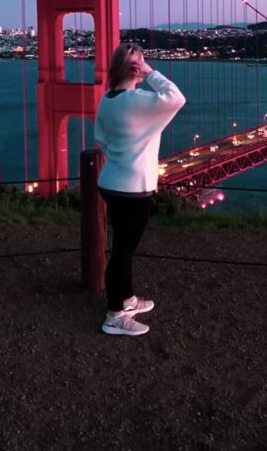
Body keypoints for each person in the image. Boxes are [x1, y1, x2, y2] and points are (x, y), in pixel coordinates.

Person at [94, 42, 185, 336]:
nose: (144, 65)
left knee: (123, 248)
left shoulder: (107, 100)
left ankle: (128, 299)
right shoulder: (140, 101)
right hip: (134, 191)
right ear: (134, 68)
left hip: (110, 183)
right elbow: (176, 98)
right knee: (123, 251)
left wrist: (123, 157)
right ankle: (115, 315)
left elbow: (101, 142)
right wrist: (150, 72)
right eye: (141, 61)